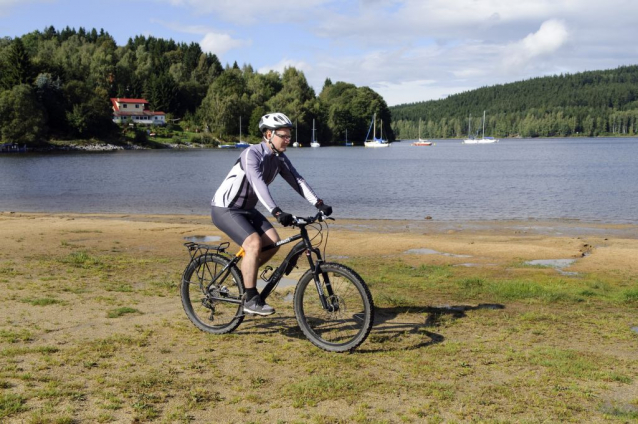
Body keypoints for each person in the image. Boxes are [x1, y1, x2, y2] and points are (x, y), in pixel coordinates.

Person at [210, 112, 332, 316]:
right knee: (253, 244)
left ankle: (243, 275)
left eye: (288, 136)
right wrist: (276, 212)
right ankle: (250, 298)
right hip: (226, 208)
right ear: (268, 134)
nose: (288, 140)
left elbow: (297, 181)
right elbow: (258, 185)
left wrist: (319, 203)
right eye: (283, 136)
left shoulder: (280, 159)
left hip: (247, 209)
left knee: (273, 241)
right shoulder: (251, 154)